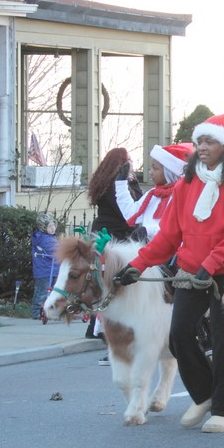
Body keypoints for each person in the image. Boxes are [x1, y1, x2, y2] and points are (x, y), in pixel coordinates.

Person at [113, 114, 224, 434]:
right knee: (179, 335)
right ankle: (205, 394)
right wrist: (136, 266)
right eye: (200, 142)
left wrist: (211, 264)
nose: (202, 148)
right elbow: (169, 235)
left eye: (210, 142)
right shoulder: (187, 183)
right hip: (192, 270)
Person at [87, 147, 143, 344]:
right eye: (128, 162)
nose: (132, 166)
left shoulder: (108, 184)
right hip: (113, 237)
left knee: (104, 281)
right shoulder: (114, 187)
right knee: (112, 282)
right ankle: (104, 328)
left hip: (106, 234)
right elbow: (129, 213)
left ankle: (98, 326)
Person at [115, 143, 193, 242]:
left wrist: (148, 230)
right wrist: (120, 183)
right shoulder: (153, 193)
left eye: (155, 168)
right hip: (150, 249)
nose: (150, 172)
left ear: (169, 172)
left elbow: (176, 227)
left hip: (172, 252)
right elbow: (130, 213)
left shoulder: (181, 195)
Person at [31, 213, 59, 323]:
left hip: (52, 269)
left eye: (53, 225)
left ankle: (48, 312)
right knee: (42, 292)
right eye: (49, 226)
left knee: (51, 292)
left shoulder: (48, 237)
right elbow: (56, 250)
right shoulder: (44, 240)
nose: (52, 228)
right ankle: (37, 312)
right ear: (43, 228)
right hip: (45, 271)